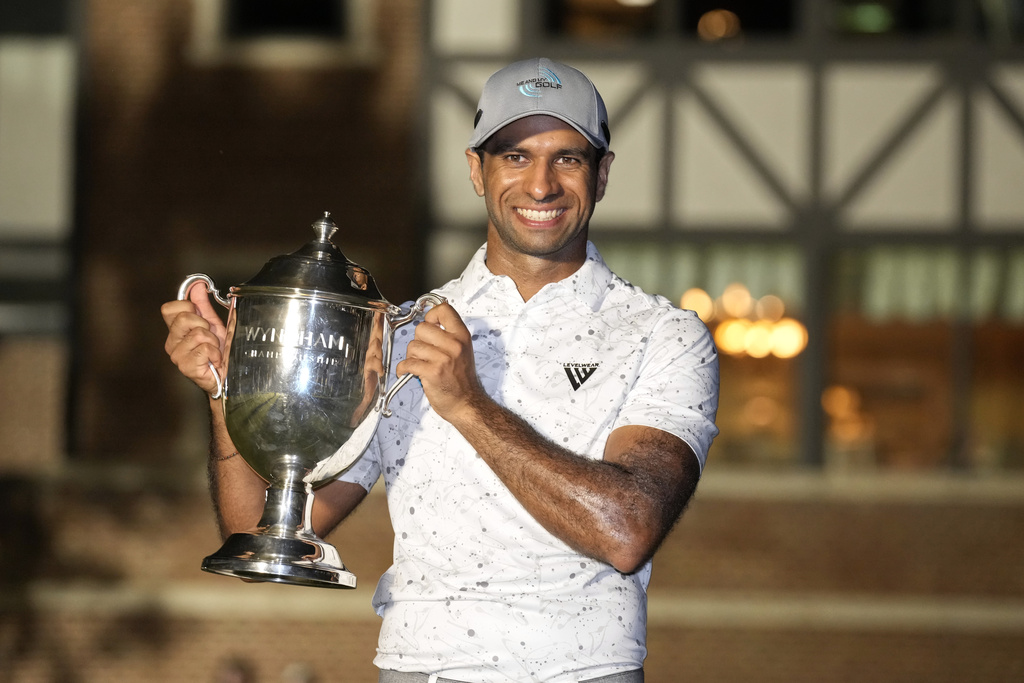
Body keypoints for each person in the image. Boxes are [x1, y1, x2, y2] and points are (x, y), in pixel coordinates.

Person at [162, 57, 719, 683]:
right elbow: (257, 527)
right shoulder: (399, 330)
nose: (541, 185)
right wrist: (227, 392)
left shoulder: (663, 334)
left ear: (602, 173)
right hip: (419, 668)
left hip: (585, 670)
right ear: (476, 170)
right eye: (514, 156)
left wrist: (469, 406)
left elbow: (626, 530)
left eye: (567, 157)